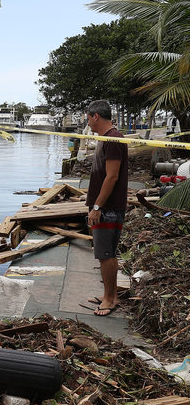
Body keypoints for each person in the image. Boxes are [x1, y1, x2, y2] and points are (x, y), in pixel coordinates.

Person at [85, 100, 128, 316]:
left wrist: (97, 206)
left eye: (88, 118)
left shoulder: (113, 139)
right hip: (105, 206)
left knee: (106, 254)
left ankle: (110, 300)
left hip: (108, 207)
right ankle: (108, 294)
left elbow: (112, 177)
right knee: (105, 253)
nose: (88, 123)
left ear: (96, 117)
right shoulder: (108, 138)